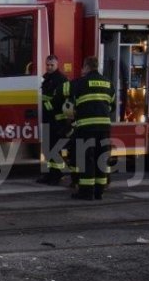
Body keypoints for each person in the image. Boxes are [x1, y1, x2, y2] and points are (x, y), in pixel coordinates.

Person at [60, 56, 114, 200]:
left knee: (87, 159)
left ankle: (86, 192)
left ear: (86, 67)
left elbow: (68, 98)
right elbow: (112, 106)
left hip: (86, 128)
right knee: (101, 159)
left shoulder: (80, 83)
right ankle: (99, 192)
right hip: (104, 128)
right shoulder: (109, 83)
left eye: (83, 67)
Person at [36, 54, 69, 185]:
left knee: (55, 149)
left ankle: (57, 175)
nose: (49, 67)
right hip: (47, 118)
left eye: (52, 65)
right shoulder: (47, 79)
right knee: (47, 148)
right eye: (48, 65)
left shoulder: (61, 80)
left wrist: (49, 108)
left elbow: (62, 100)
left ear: (57, 65)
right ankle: (50, 174)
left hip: (56, 120)